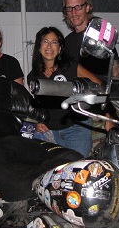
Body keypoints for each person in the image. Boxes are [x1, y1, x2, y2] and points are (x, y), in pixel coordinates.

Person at [27, 26, 103, 157]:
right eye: (45, 41)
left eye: (54, 42)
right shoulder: (33, 77)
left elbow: (98, 85)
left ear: (60, 48)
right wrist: (39, 122)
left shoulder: (71, 67)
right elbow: (40, 107)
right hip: (49, 131)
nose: (49, 46)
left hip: (76, 127)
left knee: (75, 168)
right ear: (39, 47)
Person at [62, 0, 119, 140]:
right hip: (79, 113)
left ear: (88, 7)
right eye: (69, 8)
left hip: (101, 114)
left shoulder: (99, 36)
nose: (74, 12)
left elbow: (116, 75)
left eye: (78, 7)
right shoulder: (67, 42)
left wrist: (110, 115)